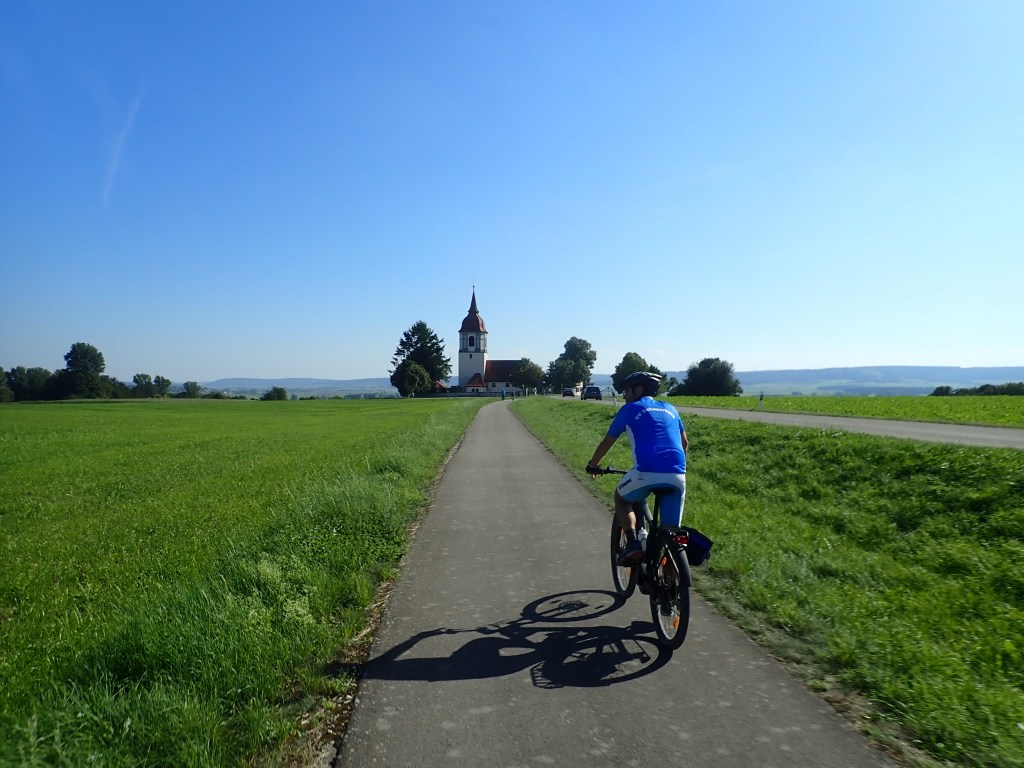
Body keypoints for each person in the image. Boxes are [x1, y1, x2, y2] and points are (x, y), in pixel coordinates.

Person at [586, 371, 689, 566]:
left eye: (627, 391)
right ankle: (673, 577)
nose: (625, 396)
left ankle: (633, 543)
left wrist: (592, 465)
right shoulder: (671, 409)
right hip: (677, 475)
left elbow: (608, 441)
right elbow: (685, 443)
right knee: (670, 534)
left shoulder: (629, 409)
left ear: (639, 389)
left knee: (621, 497)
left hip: (645, 473)